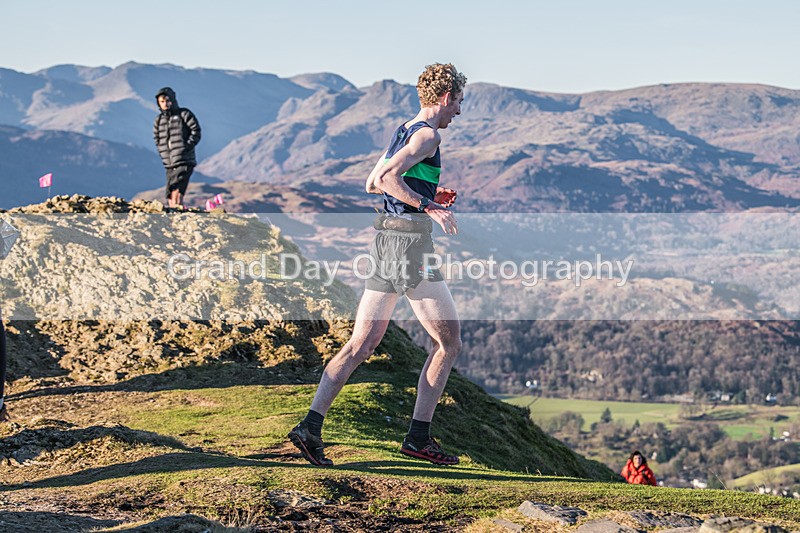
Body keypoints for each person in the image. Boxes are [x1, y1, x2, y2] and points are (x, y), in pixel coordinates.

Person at [288, 63, 466, 467]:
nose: (459, 110)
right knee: (449, 343)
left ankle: (310, 427)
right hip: (409, 246)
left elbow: (373, 181)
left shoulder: (405, 129)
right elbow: (385, 180)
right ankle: (418, 438)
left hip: (387, 242)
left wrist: (429, 191)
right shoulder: (427, 135)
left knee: (361, 344)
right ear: (444, 97)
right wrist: (430, 206)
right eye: (458, 101)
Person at [153, 87, 201, 208]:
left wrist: (186, 147)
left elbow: (196, 131)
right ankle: (173, 212)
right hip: (169, 162)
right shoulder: (159, 120)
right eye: (162, 102)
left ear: (173, 100)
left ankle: (177, 211)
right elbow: (157, 138)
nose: (165, 104)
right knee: (170, 190)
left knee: (177, 187)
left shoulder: (184, 114)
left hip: (184, 160)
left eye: (167, 101)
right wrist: (162, 152)